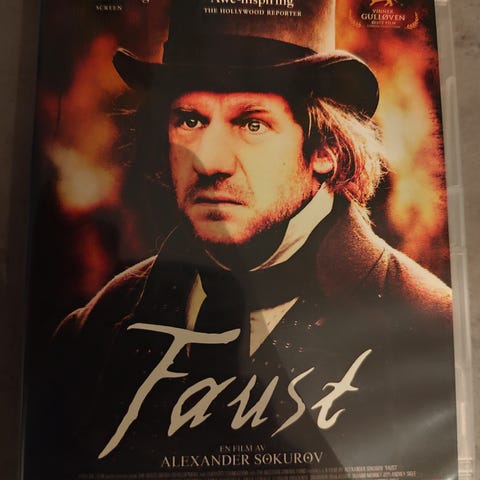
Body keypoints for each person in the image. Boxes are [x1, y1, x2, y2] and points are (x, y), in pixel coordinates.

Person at [30, 0, 457, 478]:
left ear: (325, 150)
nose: (210, 162)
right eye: (190, 120)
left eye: (252, 124)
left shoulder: (436, 334)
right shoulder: (90, 336)